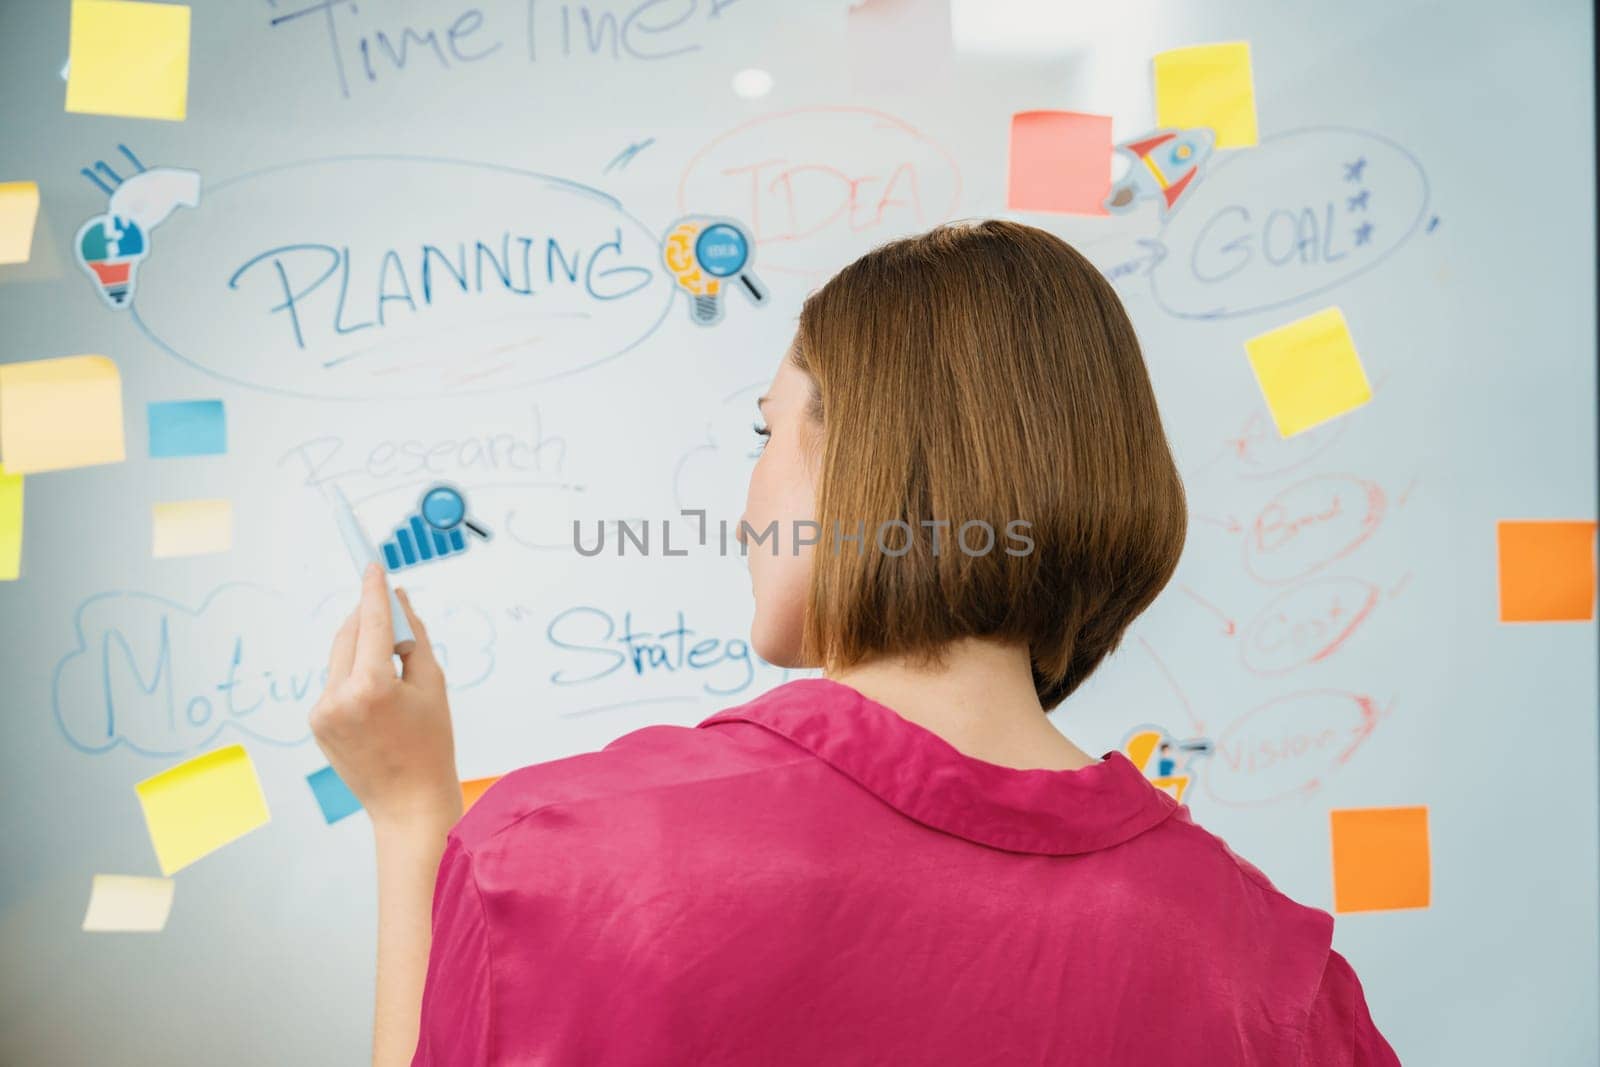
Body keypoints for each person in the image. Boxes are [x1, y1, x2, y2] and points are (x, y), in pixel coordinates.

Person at [311, 220, 1401, 1065]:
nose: (744, 506)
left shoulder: (555, 853)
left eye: (765, 430)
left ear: (865, 458)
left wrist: (415, 817)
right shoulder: (1270, 969)